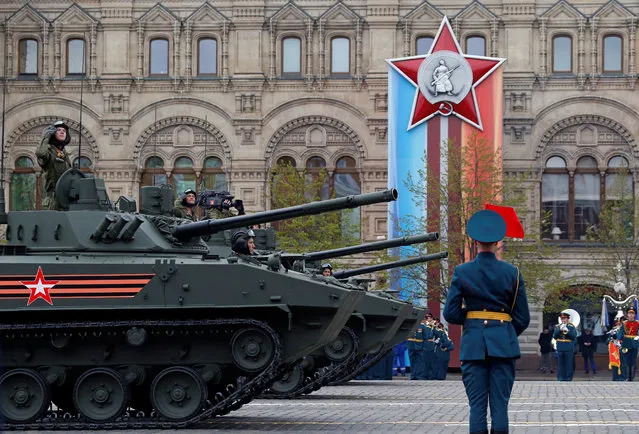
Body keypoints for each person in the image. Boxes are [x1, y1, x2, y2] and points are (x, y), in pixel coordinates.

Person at [443, 209, 530, 434]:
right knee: (500, 406)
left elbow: (451, 313)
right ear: (498, 241)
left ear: (474, 240)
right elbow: (523, 317)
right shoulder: (513, 272)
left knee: (477, 407)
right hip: (504, 344)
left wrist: (472, 321)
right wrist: (505, 332)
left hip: (473, 345)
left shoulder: (462, 271)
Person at [36, 120, 72, 210]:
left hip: (66, 197)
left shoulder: (64, 153)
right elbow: (41, 154)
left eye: (64, 131)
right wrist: (46, 137)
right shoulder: (50, 151)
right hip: (53, 197)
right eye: (58, 130)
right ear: (52, 133)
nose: (62, 132)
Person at [553, 312, 577, 381]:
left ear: (568, 319)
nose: (563, 320)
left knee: (569, 364)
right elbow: (554, 336)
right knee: (560, 364)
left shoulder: (571, 327)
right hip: (560, 347)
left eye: (564, 318)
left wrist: (567, 331)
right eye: (562, 318)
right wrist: (559, 330)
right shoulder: (558, 326)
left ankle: (568, 377)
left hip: (568, 347)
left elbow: (573, 336)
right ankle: (561, 377)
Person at [617, 308, 639, 381]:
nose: (631, 315)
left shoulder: (637, 323)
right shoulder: (624, 323)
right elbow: (621, 332)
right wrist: (619, 339)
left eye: (632, 314)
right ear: (627, 315)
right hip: (625, 343)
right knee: (625, 360)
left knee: (633, 361)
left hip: (635, 344)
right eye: (630, 314)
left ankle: (631, 377)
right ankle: (626, 376)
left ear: (635, 315)